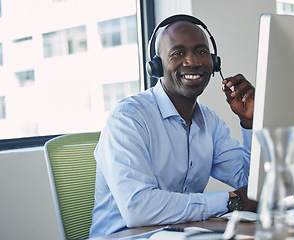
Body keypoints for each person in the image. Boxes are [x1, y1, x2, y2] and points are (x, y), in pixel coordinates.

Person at [89, 15, 257, 238]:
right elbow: (139, 208)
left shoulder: (209, 121)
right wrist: (231, 201)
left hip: (181, 234)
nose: (192, 62)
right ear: (156, 65)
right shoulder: (128, 118)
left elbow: (251, 186)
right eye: (178, 53)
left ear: (215, 62)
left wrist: (250, 123)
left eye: (201, 51)